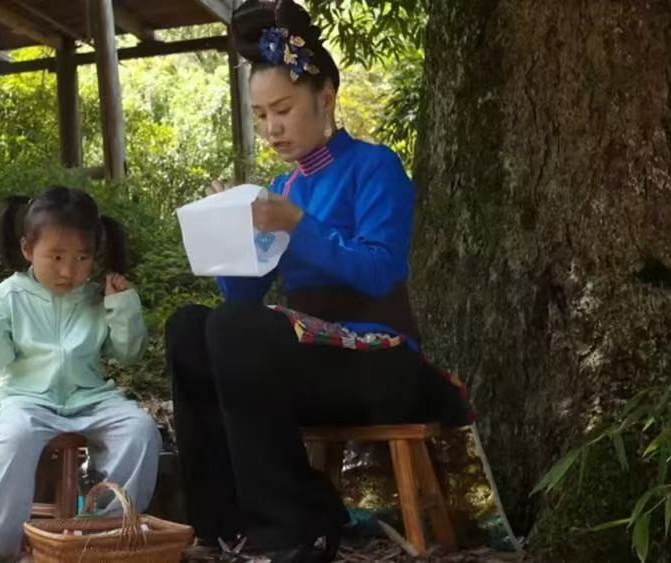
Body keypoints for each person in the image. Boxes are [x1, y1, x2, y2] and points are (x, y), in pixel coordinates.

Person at [166, 2, 472, 562]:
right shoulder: (284, 188)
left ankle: (297, 527)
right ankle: (224, 522)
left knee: (234, 328)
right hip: (306, 360)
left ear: (325, 97)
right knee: (189, 327)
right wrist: (229, 235)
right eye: (261, 115)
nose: (272, 128)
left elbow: (382, 270)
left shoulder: (375, 167)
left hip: (381, 364)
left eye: (282, 109)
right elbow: (243, 302)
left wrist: (299, 226)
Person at [0, 186, 162, 562]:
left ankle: (107, 532)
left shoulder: (95, 296)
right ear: (27, 249)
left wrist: (122, 305)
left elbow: (128, 354)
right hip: (26, 399)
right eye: (56, 257)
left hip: (92, 397)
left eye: (82, 258)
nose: (69, 271)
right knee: (16, 438)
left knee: (139, 430)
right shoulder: (7, 296)